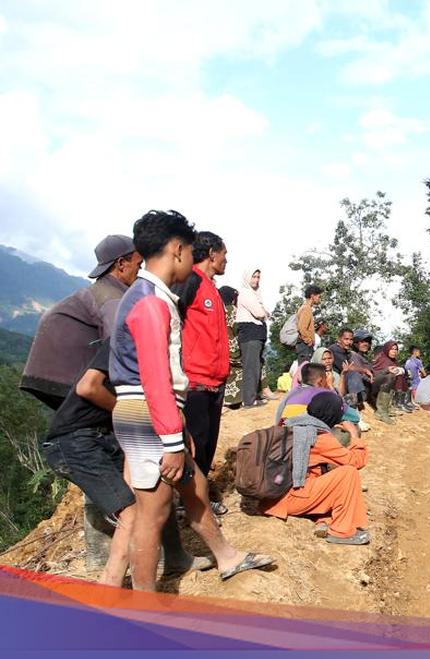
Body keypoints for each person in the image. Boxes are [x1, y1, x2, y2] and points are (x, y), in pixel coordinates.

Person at [110, 210, 273, 590]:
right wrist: (171, 439)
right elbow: (155, 378)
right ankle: (144, 604)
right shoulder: (151, 302)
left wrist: (177, 429)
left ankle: (226, 556)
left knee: (195, 485)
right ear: (178, 250)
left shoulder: (151, 296)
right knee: (152, 514)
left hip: (153, 411)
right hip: (146, 411)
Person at [40, 339, 215, 586]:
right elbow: (88, 387)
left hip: (111, 434)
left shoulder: (159, 346)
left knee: (152, 493)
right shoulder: (127, 339)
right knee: (131, 513)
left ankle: (174, 558)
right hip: (76, 441)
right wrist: (127, 410)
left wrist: (178, 429)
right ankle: (110, 585)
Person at [21, 234, 143, 409]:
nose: (140, 271)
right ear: (121, 264)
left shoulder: (98, 291)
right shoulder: (112, 297)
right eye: (139, 265)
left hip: (43, 377)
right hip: (67, 381)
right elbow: (121, 345)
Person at [260, 391, 370, 546]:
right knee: (348, 473)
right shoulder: (319, 437)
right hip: (287, 500)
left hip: (271, 495)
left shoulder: (291, 424)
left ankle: (323, 519)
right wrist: (355, 437)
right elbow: (355, 461)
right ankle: (341, 532)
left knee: (321, 473)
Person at [174, 232, 231, 516]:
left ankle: (200, 498)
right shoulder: (191, 281)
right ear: (211, 253)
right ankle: (189, 504)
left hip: (216, 381)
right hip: (195, 381)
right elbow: (172, 318)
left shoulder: (213, 289)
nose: (226, 260)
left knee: (207, 445)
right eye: (224, 254)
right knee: (195, 445)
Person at [235, 268, 271, 407]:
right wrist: (264, 313)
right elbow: (259, 313)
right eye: (253, 276)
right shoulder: (246, 293)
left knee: (256, 366)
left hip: (256, 334)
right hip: (250, 334)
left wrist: (264, 313)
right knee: (251, 368)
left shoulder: (255, 294)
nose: (256, 280)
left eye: (258, 277)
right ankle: (249, 400)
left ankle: (253, 397)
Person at [369, 339, 404, 423]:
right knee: (390, 377)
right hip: (373, 386)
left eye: (396, 349)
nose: (394, 351)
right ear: (387, 349)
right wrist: (387, 370)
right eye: (392, 349)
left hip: (383, 386)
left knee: (393, 376)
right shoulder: (381, 359)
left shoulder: (393, 361)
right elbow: (375, 373)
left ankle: (387, 407)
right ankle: (381, 412)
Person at [219, 286, 243, 408]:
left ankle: (227, 399)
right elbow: (238, 329)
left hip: (221, 349)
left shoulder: (218, 310)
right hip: (234, 348)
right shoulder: (233, 310)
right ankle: (237, 400)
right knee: (240, 371)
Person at [296, 285, 322, 364]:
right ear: (312, 296)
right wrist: (309, 341)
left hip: (304, 346)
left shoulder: (305, 308)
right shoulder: (306, 308)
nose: (319, 299)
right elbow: (302, 328)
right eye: (319, 296)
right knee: (306, 369)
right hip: (305, 346)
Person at [404, 346, 424, 412]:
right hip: (417, 383)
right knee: (419, 402)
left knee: (413, 400)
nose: (420, 353)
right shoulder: (418, 361)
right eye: (419, 352)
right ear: (415, 352)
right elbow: (424, 373)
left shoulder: (407, 361)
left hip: (410, 383)